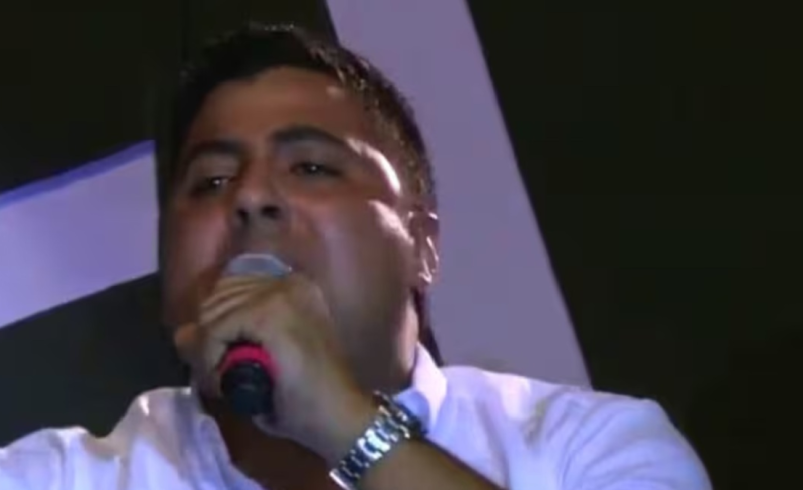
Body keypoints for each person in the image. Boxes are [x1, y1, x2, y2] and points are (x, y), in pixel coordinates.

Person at [0, 23, 710, 490]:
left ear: (423, 244)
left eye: (311, 167)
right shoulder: (54, 477)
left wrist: (345, 424)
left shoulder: (588, 448)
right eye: (211, 181)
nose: (251, 197)